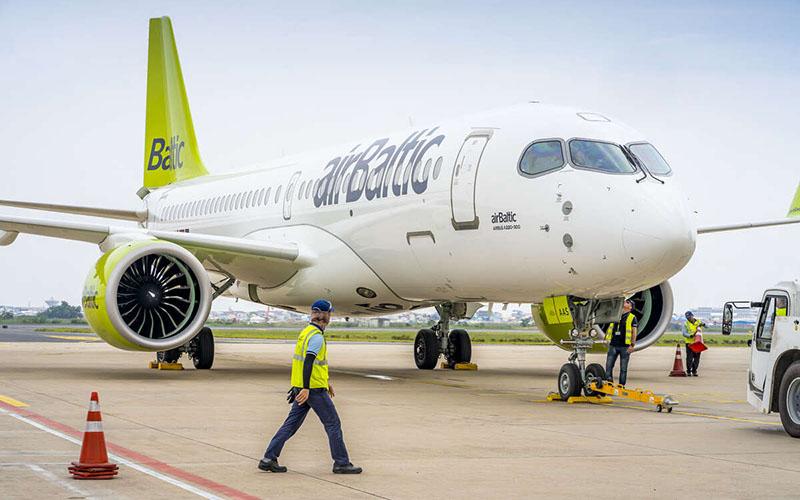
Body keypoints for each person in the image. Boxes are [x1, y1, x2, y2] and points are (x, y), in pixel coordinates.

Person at [259, 300, 362, 474]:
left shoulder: (306, 332)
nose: (330, 316)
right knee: (333, 423)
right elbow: (308, 362)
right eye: (329, 313)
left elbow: (308, 365)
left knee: (290, 425)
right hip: (312, 391)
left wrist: (319, 383)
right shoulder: (316, 337)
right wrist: (306, 388)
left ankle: (269, 458)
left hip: (306, 388)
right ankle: (341, 463)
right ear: (324, 315)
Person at [604, 299, 637, 386]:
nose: (625, 302)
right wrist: (606, 339)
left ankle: (621, 386)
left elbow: (634, 332)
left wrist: (632, 345)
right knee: (608, 367)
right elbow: (610, 328)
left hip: (625, 346)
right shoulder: (616, 315)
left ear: (630, 307)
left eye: (628, 302)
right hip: (613, 345)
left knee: (623, 369)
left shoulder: (632, 317)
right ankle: (609, 384)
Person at [682, 311, 706, 376]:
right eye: (687, 317)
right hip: (689, 343)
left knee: (697, 358)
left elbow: (706, 326)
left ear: (692, 316)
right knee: (689, 357)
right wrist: (690, 335)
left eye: (689, 317)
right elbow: (684, 333)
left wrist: (704, 324)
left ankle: (694, 370)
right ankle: (689, 371)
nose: (688, 318)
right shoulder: (686, 324)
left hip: (698, 343)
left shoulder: (698, 321)